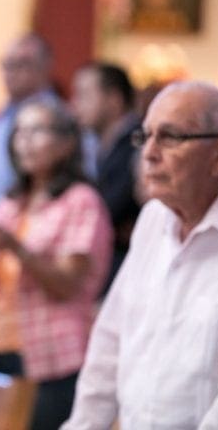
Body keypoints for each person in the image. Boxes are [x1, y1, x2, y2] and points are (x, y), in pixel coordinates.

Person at [63, 81, 218, 429]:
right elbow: (110, 341)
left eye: (170, 137)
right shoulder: (154, 219)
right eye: (146, 136)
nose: (149, 153)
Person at [0, 99, 113, 429]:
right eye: (19, 131)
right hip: (2, 345)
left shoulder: (81, 200)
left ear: (66, 144)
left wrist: (15, 247)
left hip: (55, 353)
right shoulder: (12, 199)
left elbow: (68, 284)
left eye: (37, 131)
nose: (24, 140)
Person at [71, 62, 142, 294]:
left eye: (83, 95)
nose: (75, 105)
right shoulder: (101, 146)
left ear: (114, 99)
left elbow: (106, 210)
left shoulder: (138, 142)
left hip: (129, 267)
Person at [0, 33, 58, 219]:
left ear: (45, 67)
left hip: (22, 234)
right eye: (6, 64)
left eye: (20, 64)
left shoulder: (54, 117)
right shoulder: (5, 111)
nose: (10, 72)